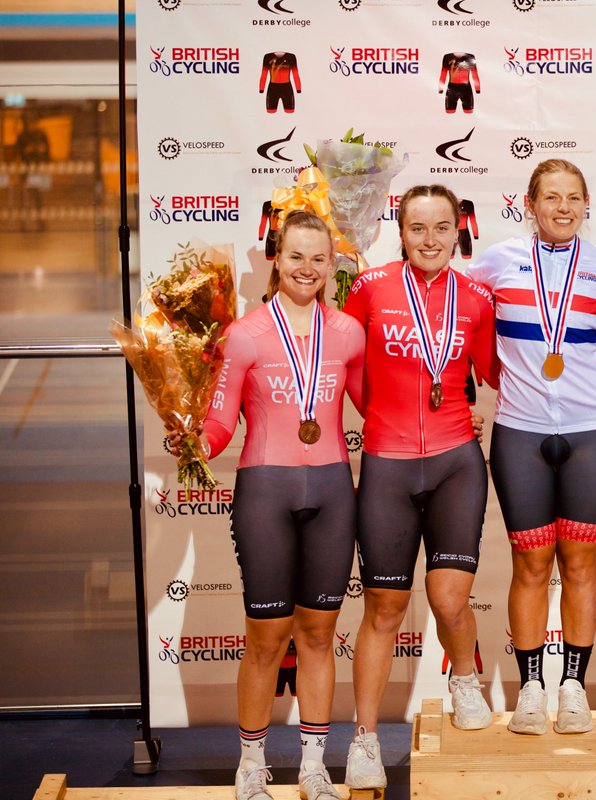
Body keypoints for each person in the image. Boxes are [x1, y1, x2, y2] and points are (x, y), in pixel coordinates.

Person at [174, 210, 365, 800]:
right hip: (265, 492)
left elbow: (376, 407)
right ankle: (251, 763)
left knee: (319, 632)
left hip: (333, 490)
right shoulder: (245, 333)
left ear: (332, 266)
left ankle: (314, 765)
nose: (307, 268)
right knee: (265, 635)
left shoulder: (348, 333)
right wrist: (193, 440)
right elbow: (220, 420)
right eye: (296, 257)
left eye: (318, 258)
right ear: (275, 260)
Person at [465, 159, 596, 736]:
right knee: (530, 564)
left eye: (573, 198)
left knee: (581, 563)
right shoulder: (497, 261)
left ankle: (574, 689)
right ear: (529, 204)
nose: (563, 208)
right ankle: (532, 687)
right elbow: (449, 313)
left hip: (589, 433)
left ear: (587, 204)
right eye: (551, 198)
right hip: (520, 433)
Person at [341, 185, 499, 791]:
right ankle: (364, 739)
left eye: (441, 227)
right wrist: (379, 414)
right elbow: (342, 363)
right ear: (399, 231)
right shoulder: (370, 288)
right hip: (387, 463)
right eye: (416, 228)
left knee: (451, 599)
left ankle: (465, 679)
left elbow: (492, 369)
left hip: (458, 459)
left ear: (459, 230)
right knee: (383, 607)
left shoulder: (477, 297)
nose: (429, 239)